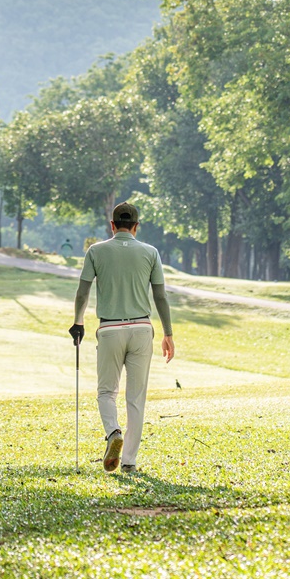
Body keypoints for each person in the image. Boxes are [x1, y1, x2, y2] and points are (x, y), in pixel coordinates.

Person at [68, 201, 174, 474]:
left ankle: (113, 432)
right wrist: (168, 334)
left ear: (112, 225)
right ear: (136, 227)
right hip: (141, 329)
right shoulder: (151, 252)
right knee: (136, 397)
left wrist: (78, 322)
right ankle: (129, 461)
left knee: (106, 392)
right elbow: (160, 296)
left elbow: (83, 292)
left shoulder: (96, 251)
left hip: (110, 329)